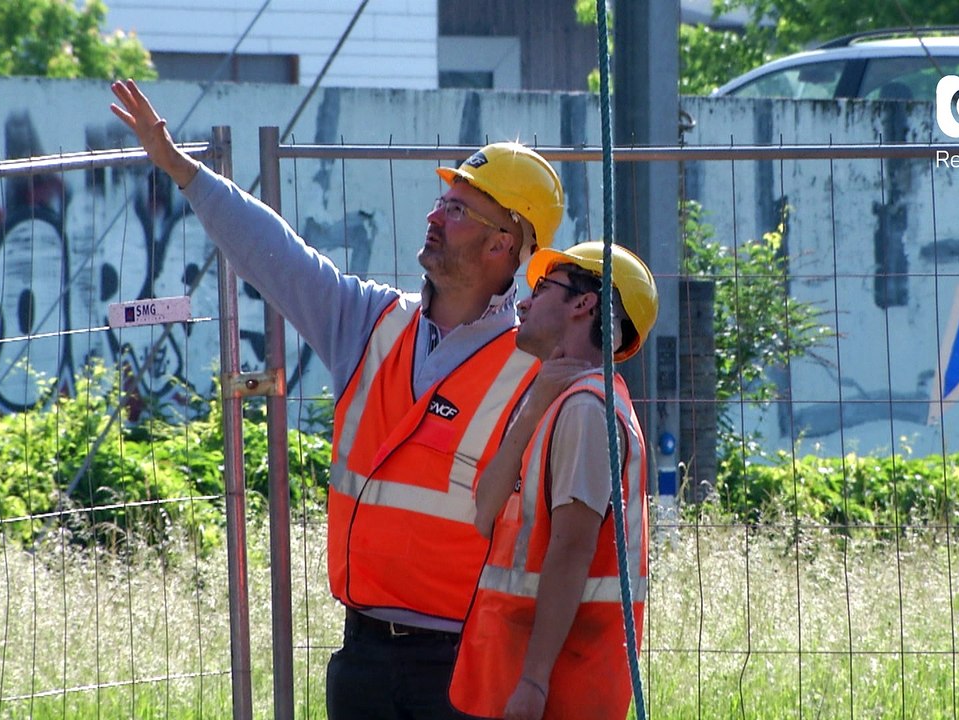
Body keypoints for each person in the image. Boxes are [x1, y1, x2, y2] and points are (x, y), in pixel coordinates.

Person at [109, 79, 565, 719]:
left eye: (458, 210)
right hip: (363, 659)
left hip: (469, 665)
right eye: (442, 200)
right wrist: (184, 171)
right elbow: (277, 257)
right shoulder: (372, 322)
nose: (434, 216)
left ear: (501, 245)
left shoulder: (537, 369)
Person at [449, 241, 658, 720]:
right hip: (510, 679)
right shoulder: (552, 398)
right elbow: (484, 512)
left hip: (557, 691)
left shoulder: (587, 409)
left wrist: (534, 681)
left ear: (584, 303)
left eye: (542, 288)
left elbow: (572, 550)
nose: (523, 303)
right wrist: (535, 404)